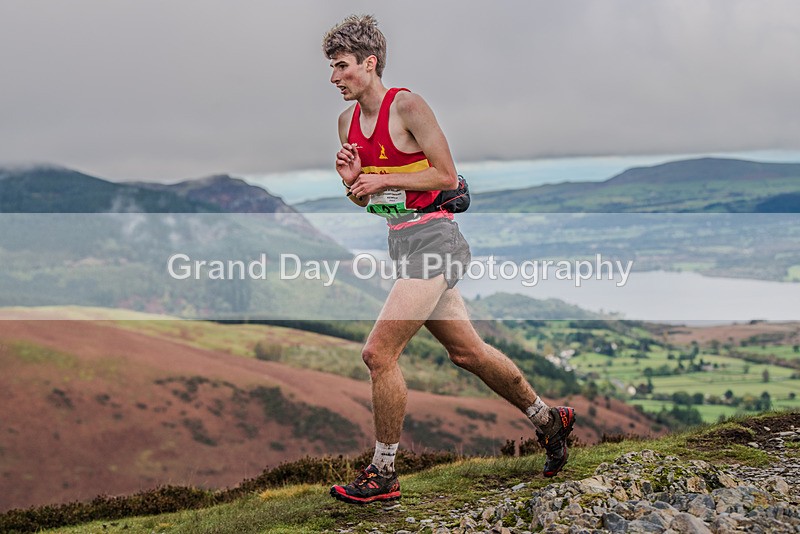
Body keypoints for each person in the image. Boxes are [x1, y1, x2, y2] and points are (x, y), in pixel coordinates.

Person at [322, 14, 575, 505]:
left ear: (370, 64)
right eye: (332, 68)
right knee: (468, 353)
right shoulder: (345, 123)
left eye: (342, 66)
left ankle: (384, 473)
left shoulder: (408, 107)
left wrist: (383, 181)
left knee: (378, 353)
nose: (334, 77)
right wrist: (353, 183)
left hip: (437, 239)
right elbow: (369, 200)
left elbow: (447, 176)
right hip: (402, 242)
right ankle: (549, 419)